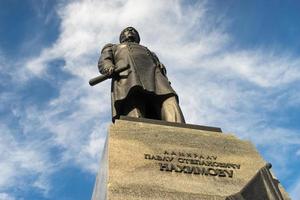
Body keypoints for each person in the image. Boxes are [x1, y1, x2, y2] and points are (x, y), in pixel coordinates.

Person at [98, 27, 185, 123]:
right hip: (128, 74)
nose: (131, 31)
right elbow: (105, 60)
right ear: (121, 37)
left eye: (134, 31)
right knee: (133, 102)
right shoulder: (113, 47)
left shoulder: (149, 52)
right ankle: (137, 130)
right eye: (127, 30)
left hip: (154, 74)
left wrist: (161, 67)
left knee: (168, 97)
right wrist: (109, 68)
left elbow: (156, 62)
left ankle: (180, 127)